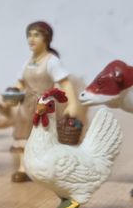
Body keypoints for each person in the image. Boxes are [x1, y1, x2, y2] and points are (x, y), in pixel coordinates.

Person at [9, 21, 81, 182]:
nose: (31, 39)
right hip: (26, 105)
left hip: (44, 106)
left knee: (45, 136)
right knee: (22, 134)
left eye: (36, 35)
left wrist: (73, 104)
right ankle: (23, 168)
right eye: (29, 35)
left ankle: (46, 167)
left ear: (46, 38)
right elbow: (20, 82)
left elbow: (65, 83)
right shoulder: (28, 61)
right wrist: (13, 92)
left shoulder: (52, 61)